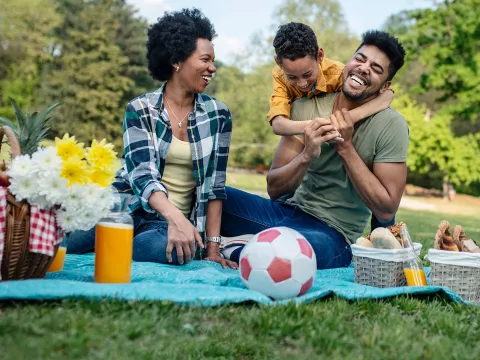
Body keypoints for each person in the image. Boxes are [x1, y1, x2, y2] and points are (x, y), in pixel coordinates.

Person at [220, 30, 408, 270]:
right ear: (348, 63)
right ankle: (247, 245)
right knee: (212, 196)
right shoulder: (306, 108)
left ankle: (241, 246)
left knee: (300, 252)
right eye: (360, 59)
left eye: (376, 68)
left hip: (331, 234)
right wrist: (306, 156)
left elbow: (386, 209)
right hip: (284, 214)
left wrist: (346, 146)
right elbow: (275, 189)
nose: (363, 68)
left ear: (386, 86)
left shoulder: (392, 125)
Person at [67, 8, 237, 269]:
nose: (212, 68)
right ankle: (115, 236)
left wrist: (212, 248)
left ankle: (122, 242)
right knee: (64, 243)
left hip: (163, 226)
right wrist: (176, 217)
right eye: (205, 59)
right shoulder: (140, 108)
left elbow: (215, 187)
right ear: (177, 60)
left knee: (174, 249)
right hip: (124, 208)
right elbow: (142, 175)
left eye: (213, 61)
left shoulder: (219, 115)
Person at [268, 22, 396, 230]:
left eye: (308, 75)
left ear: (320, 56)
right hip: (305, 127)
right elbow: (278, 124)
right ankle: (278, 221)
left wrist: (347, 119)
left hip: (339, 137)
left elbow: (383, 97)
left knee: (380, 188)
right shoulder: (280, 76)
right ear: (278, 63)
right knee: (285, 179)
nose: (301, 84)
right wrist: (318, 125)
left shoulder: (338, 73)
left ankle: (385, 236)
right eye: (293, 77)